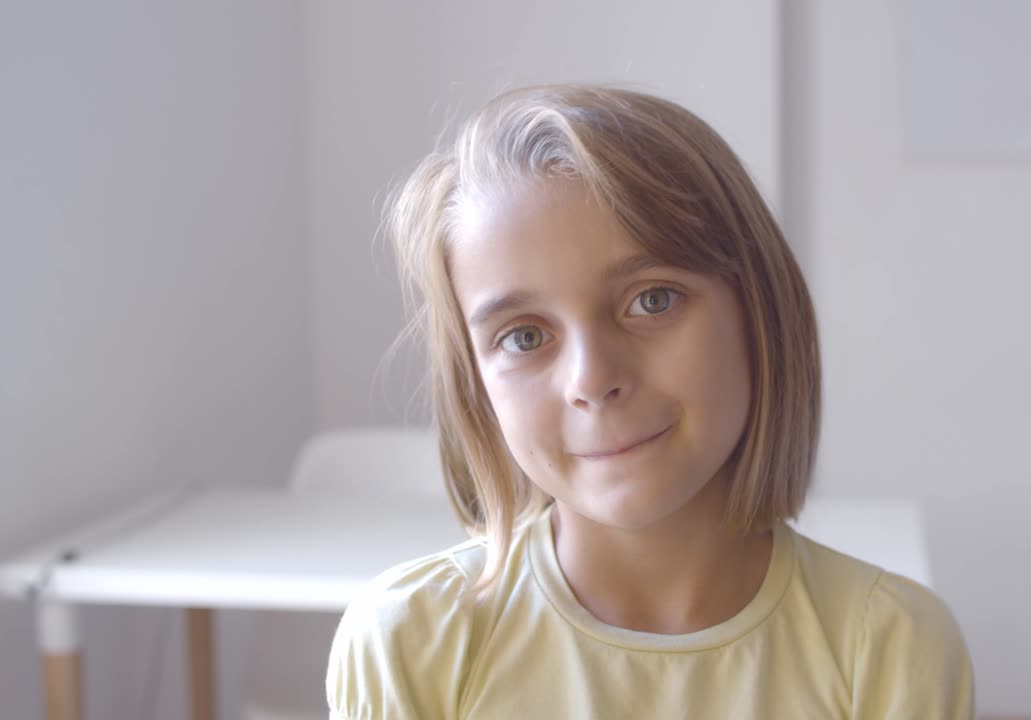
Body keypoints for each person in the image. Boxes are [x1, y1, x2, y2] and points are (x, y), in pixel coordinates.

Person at [326, 84, 975, 719]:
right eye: (525, 337)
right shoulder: (408, 646)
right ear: (475, 386)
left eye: (652, 300)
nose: (592, 379)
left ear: (758, 313)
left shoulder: (888, 650)